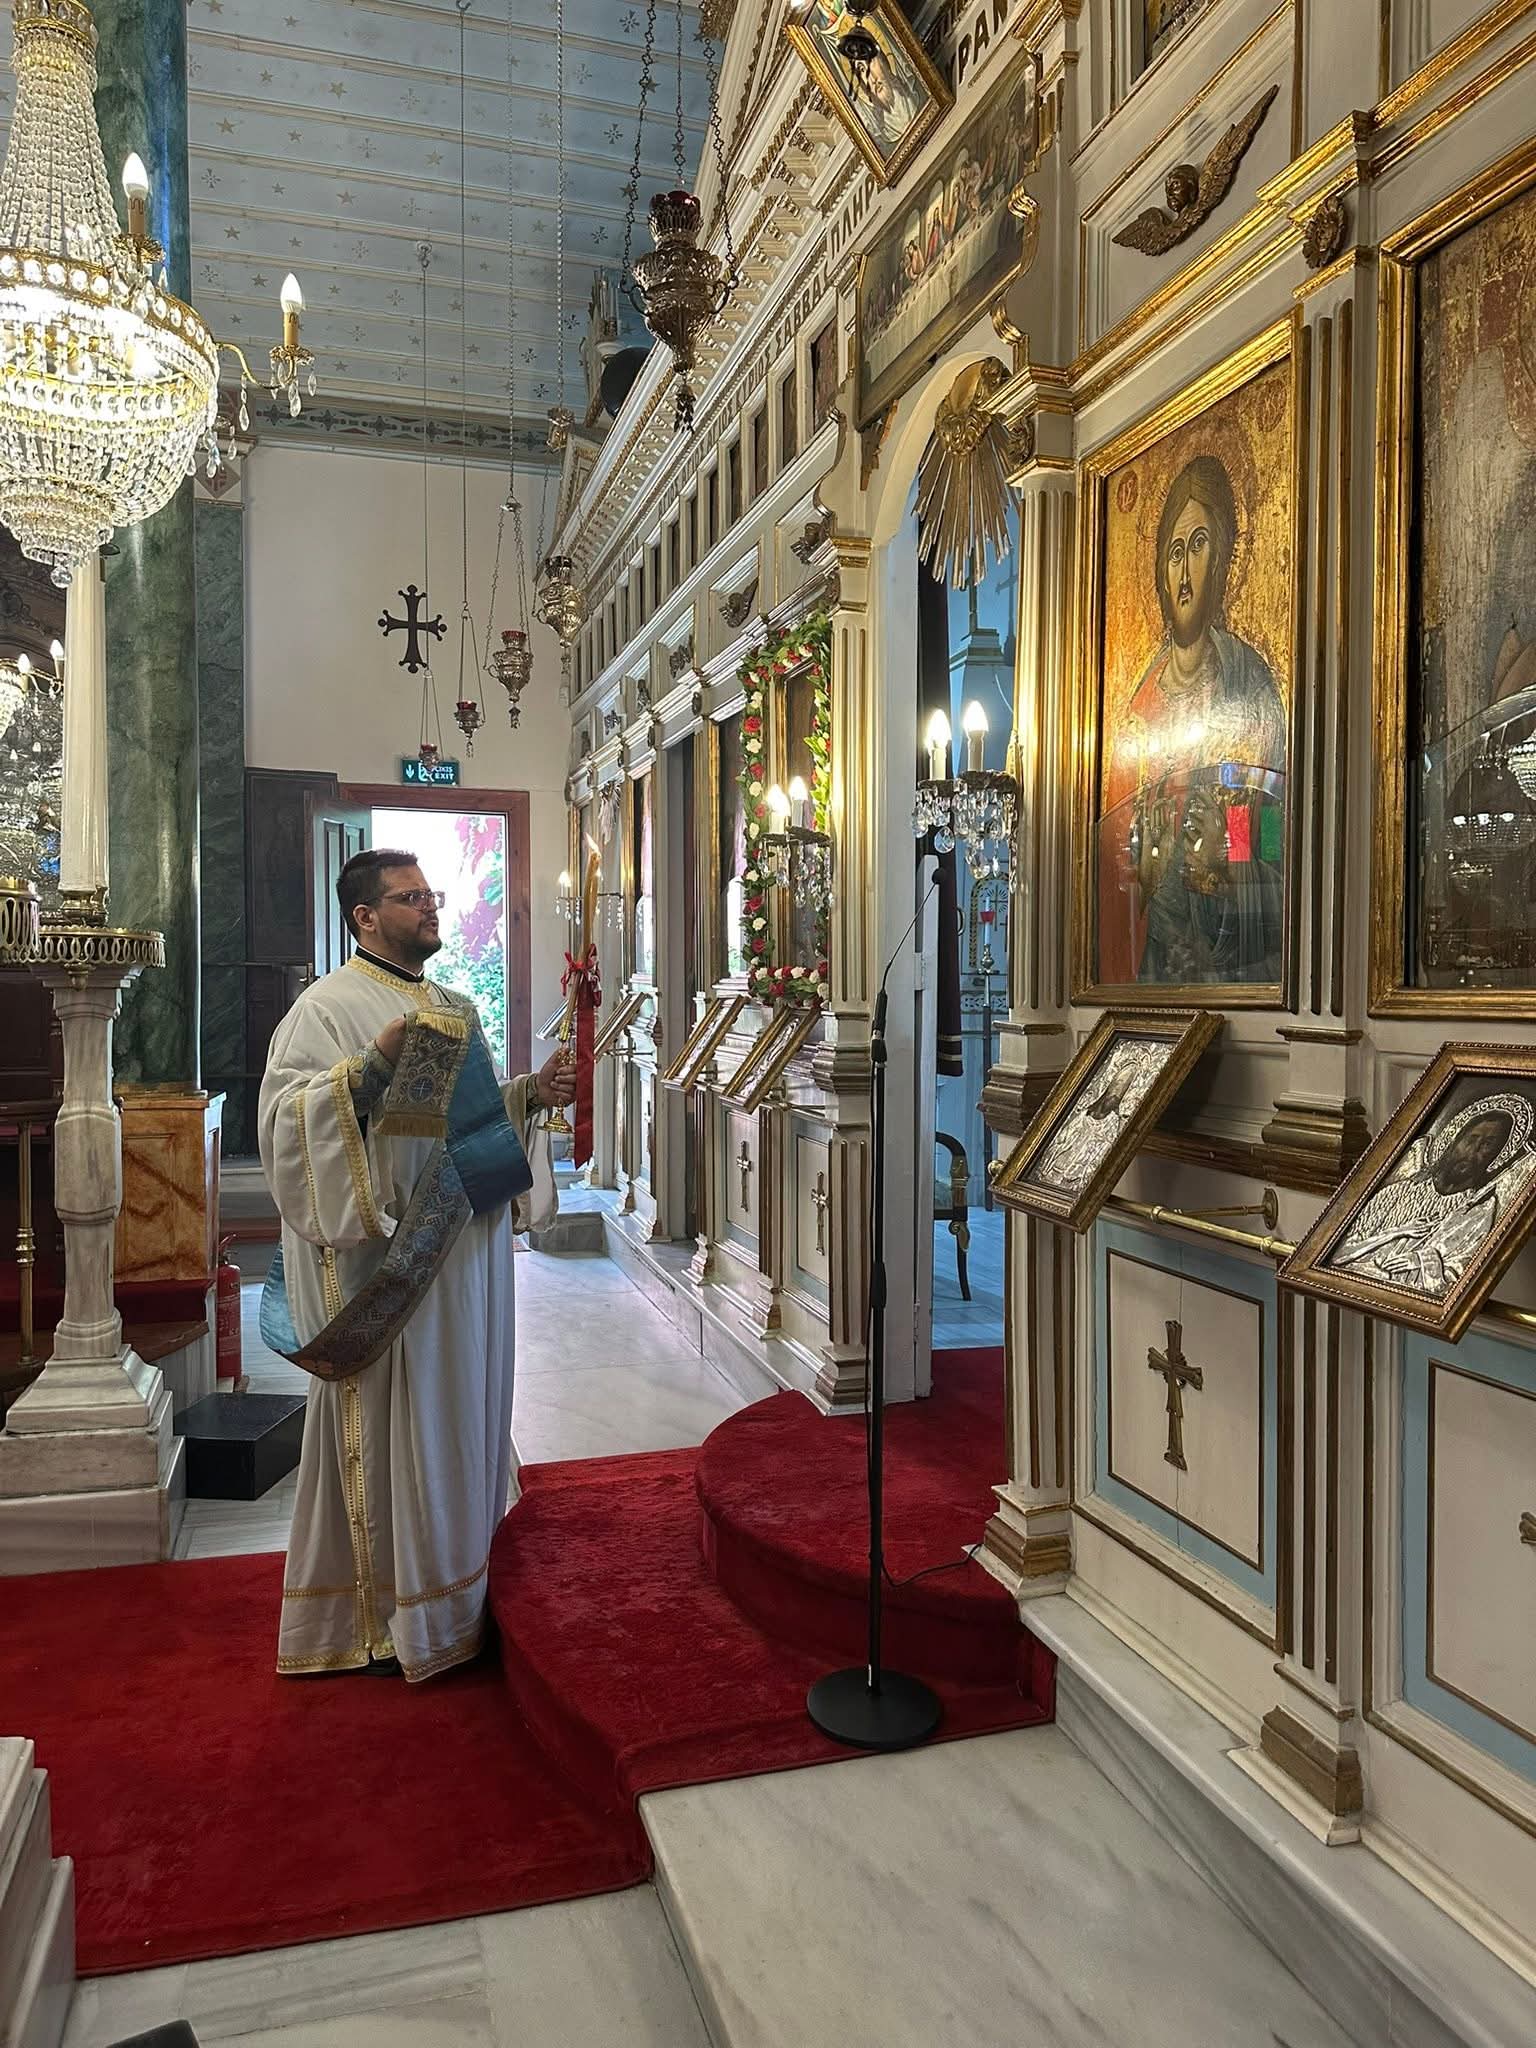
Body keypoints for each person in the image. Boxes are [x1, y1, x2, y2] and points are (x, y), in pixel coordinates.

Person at [258, 848, 576, 1681]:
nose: (430, 908)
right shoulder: (324, 1009)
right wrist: (371, 1064)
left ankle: (462, 1588)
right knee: (402, 1424)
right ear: (364, 917)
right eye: (411, 898)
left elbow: (468, 1125)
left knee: (461, 1411)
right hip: (391, 1270)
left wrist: (532, 1093)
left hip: (467, 1260)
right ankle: (396, 1612)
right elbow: (288, 1122)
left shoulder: (451, 1005)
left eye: (432, 896)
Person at [1099, 453, 1288, 986]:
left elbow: (1273, 838)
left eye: (1199, 546)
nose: (1184, 576)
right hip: (1154, 969)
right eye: (1174, 552)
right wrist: (1140, 870)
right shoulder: (1137, 713)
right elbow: (1114, 874)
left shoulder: (1249, 689)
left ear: (1223, 561)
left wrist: (1230, 853)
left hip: (1229, 971)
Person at [1330, 1096, 1535, 1297]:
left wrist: (1423, 1260)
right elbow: (1341, 1253)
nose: (1472, 1152)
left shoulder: (1477, 1213)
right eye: (1471, 1139)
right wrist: (1397, 1232)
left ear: (1497, 1155)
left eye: (1488, 1145)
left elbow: (1452, 1283)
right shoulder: (1395, 1193)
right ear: (1454, 1141)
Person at [1035, 1046, 1158, 1194]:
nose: (1114, 1096)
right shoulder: (1083, 1116)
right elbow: (1061, 1142)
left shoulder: (1112, 1125)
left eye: (1120, 1092)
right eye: (1115, 1088)